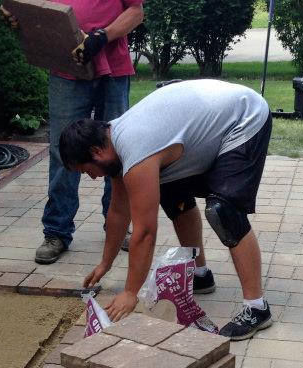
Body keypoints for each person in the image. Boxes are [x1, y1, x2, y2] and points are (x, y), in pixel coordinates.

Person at [59, 79, 274, 340]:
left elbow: (145, 232)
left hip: (244, 118)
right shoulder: (114, 146)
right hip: (207, 125)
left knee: (224, 212)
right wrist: (105, 263)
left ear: (96, 151)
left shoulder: (135, 149)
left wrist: (130, 292)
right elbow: (118, 213)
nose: (91, 177)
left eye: (86, 170)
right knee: (172, 194)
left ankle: (257, 307)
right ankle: (200, 274)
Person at [4, 0, 144, 264]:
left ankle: (116, 223)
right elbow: (37, 11)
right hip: (66, 68)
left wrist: (101, 38)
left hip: (112, 67)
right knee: (62, 151)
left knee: (118, 149)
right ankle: (56, 232)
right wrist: (19, 18)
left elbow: (135, 13)